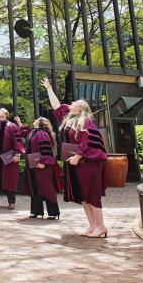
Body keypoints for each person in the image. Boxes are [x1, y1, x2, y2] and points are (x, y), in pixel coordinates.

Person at [41, 77, 108, 237]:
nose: (70, 105)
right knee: (83, 195)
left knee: (92, 194)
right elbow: (56, 106)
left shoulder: (86, 122)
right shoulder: (68, 120)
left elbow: (88, 142)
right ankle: (93, 226)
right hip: (75, 163)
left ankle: (101, 226)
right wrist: (49, 88)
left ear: (81, 108)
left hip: (88, 163)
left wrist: (78, 156)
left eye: (73, 104)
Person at [20, 116, 62, 220]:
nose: (34, 120)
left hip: (42, 165)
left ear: (40, 123)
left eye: (36, 119)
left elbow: (46, 149)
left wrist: (43, 162)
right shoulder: (32, 133)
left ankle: (53, 212)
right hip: (33, 164)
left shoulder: (42, 133)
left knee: (46, 187)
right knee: (35, 188)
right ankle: (36, 211)